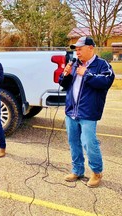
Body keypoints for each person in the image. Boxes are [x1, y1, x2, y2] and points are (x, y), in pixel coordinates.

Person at [59, 36, 115, 188]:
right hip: (71, 111)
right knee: (73, 142)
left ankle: (97, 172)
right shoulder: (74, 64)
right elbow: (63, 84)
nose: (77, 52)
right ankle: (77, 170)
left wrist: (87, 74)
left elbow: (107, 81)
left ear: (90, 48)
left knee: (89, 143)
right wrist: (65, 74)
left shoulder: (101, 64)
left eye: (80, 49)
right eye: (76, 49)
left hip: (88, 113)